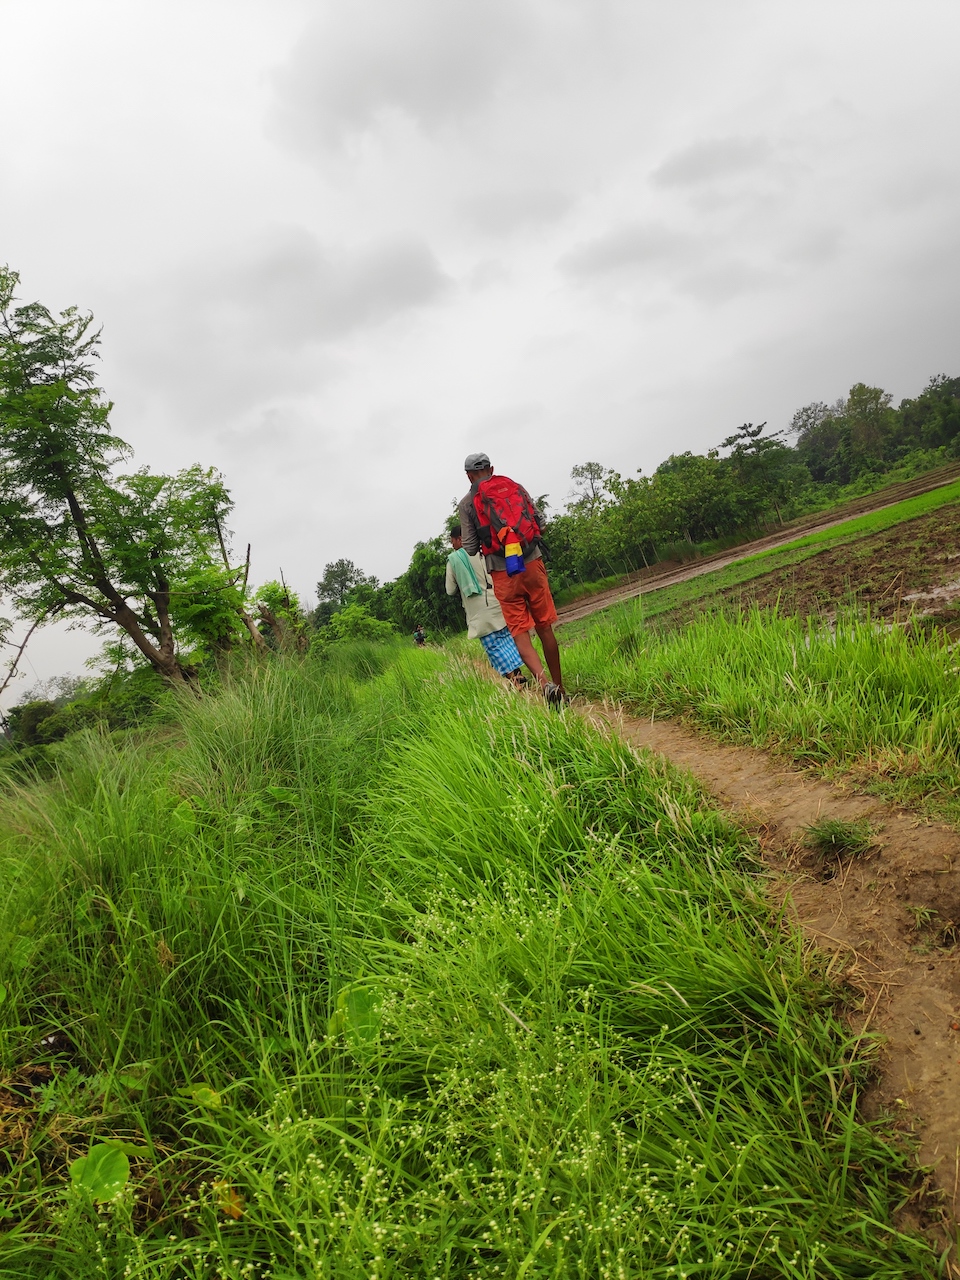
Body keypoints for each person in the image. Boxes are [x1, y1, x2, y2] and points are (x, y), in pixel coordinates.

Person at [458, 452, 565, 704]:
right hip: (532, 563)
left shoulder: (466, 504)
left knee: (519, 632)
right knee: (545, 627)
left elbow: (470, 547)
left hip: (503, 572)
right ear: (492, 469)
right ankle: (560, 688)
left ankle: (544, 683)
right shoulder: (515, 486)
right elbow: (540, 523)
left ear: (468, 476)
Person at [445, 526, 527, 688]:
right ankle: (518, 673)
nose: (452, 545)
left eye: (452, 541)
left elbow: (450, 590)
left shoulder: (453, 560)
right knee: (507, 639)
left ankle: (514, 680)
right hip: (496, 600)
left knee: (494, 646)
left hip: (478, 611)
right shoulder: (483, 549)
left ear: (459, 539)